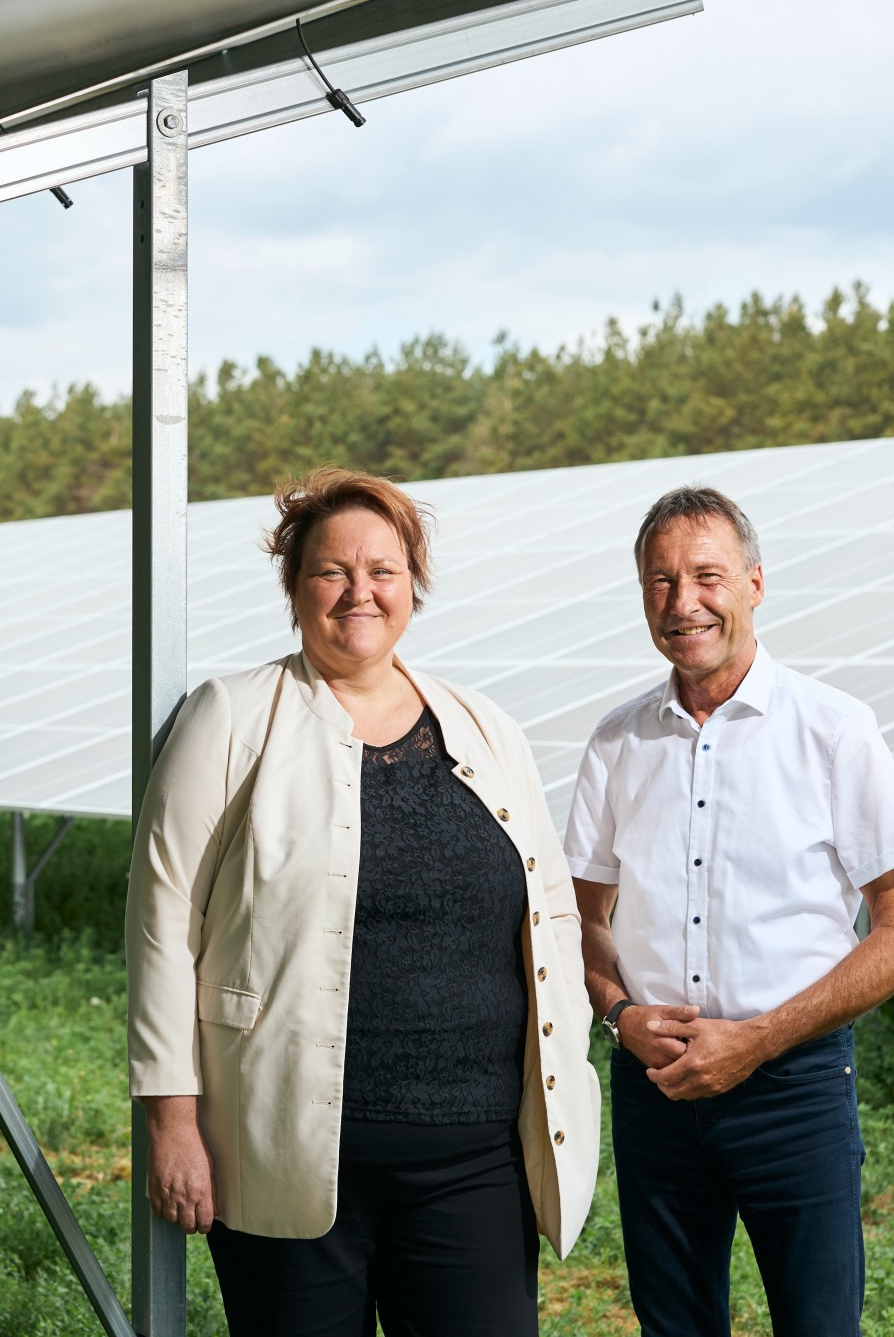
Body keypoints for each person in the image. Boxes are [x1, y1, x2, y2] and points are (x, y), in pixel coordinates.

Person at [126, 465, 600, 1337]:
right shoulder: (230, 719)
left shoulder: (488, 728)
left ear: (411, 584)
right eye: (331, 572)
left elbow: (552, 914)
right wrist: (172, 1122)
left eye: (382, 570)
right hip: (288, 1152)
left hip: (475, 1162)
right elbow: (163, 925)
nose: (359, 593)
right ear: (294, 587)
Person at [566, 484, 894, 1337]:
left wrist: (759, 1040)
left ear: (756, 584)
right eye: (660, 582)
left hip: (792, 1085)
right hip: (655, 1086)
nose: (683, 602)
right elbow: (580, 920)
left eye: (707, 575)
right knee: (675, 1325)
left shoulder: (836, 731)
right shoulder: (617, 742)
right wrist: (620, 1015)